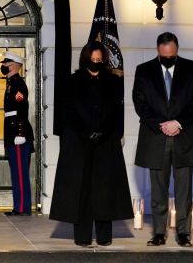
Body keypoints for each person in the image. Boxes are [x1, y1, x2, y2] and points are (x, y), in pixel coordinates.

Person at [50, 41, 134, 246]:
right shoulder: (72, 81)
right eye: (92, 59)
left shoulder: (113, 82)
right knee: (82, 190)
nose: (96, 63)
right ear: (85, 59)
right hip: (80, 143)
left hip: (105, 144)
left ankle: (105, 237)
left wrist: (103, 133)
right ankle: (82, 236)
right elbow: (68, 113)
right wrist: (86, 132)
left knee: (104, 190)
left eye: (99, 60)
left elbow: (116, 113)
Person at [132, 32, 193, 248]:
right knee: (158, 190)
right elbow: (140, 104)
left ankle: (184, 234)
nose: (168, 58)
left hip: (185, 136)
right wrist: (161, 125)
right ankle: (158, 233)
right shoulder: (143, 71)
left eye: (172, 55)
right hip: (155, 137)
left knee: (184, 190)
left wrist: (178, 122)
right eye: (164, 55)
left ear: (177, 51)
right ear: (158, 51)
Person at [0, 51, 35, 216]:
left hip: (18, 134)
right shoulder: (11, 84)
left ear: (13, 65)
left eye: (6, 63)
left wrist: (20, 133)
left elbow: (21, 111)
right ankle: (18, 206)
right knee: (16, 171)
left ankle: (22, 207)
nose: (3, 66)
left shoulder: (18, 84)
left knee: (20, 172)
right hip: (12, 132)